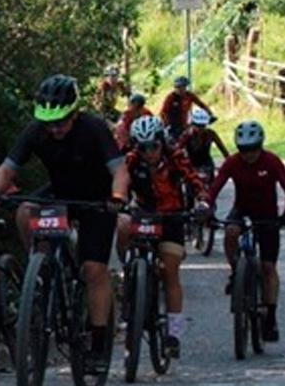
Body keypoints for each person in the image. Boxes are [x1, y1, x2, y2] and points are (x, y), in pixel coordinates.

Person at [0, 74, 130, 374]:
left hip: (97, 200)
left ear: (75, 113)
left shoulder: (93, 129)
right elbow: (7, 168)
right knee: (25, 211)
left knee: (94, 270)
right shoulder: (36, 131)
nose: (54, 129)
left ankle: (99, 340)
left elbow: (119, 171)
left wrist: (117, 196)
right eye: (48, 123)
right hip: (60, 193)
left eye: (60, 122)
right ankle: (39, 271)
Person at [116, 115, 209, 359]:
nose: (149, 153)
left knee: (170, 272)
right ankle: (129, 270)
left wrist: (201, 200)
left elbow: (194, 179)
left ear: (161, 142)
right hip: (144, 214)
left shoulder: (175, 156)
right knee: (122, 226)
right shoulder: (131, 160)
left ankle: (174, 333)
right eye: (143, 147)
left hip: (172, 218)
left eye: (153, 146)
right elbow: (118, 183)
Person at [206, 120, 284, 342]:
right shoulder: (233, 163)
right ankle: (235, 271)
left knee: (269, 267)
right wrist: (206, 206)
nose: (248, 154)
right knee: (230, 231)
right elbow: (215, 187)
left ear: (260, 145)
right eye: (243, 149)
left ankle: (270, 316)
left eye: (252, 149)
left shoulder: (272, 161)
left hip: (268, 214)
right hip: (242, 209)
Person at [177, 107, 229, 183]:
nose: (200, 129)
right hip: (191, 165)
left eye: (202, 126)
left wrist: (229, 162)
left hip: (206, 165)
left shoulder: (211, 134)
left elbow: (223, 150)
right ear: (192, 124)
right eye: (197, 125)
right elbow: (177, 149)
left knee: (211, 186)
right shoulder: (186, 135)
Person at [159, 76, 214, 142]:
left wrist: (210, 113)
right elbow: (163, 112)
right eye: (178, 87)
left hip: (186, 123)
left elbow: (201, 104)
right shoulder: (171, 97)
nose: (181, 90)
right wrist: (166, 124)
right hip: (173, 124)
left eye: (183, 87)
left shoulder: (189, 95)